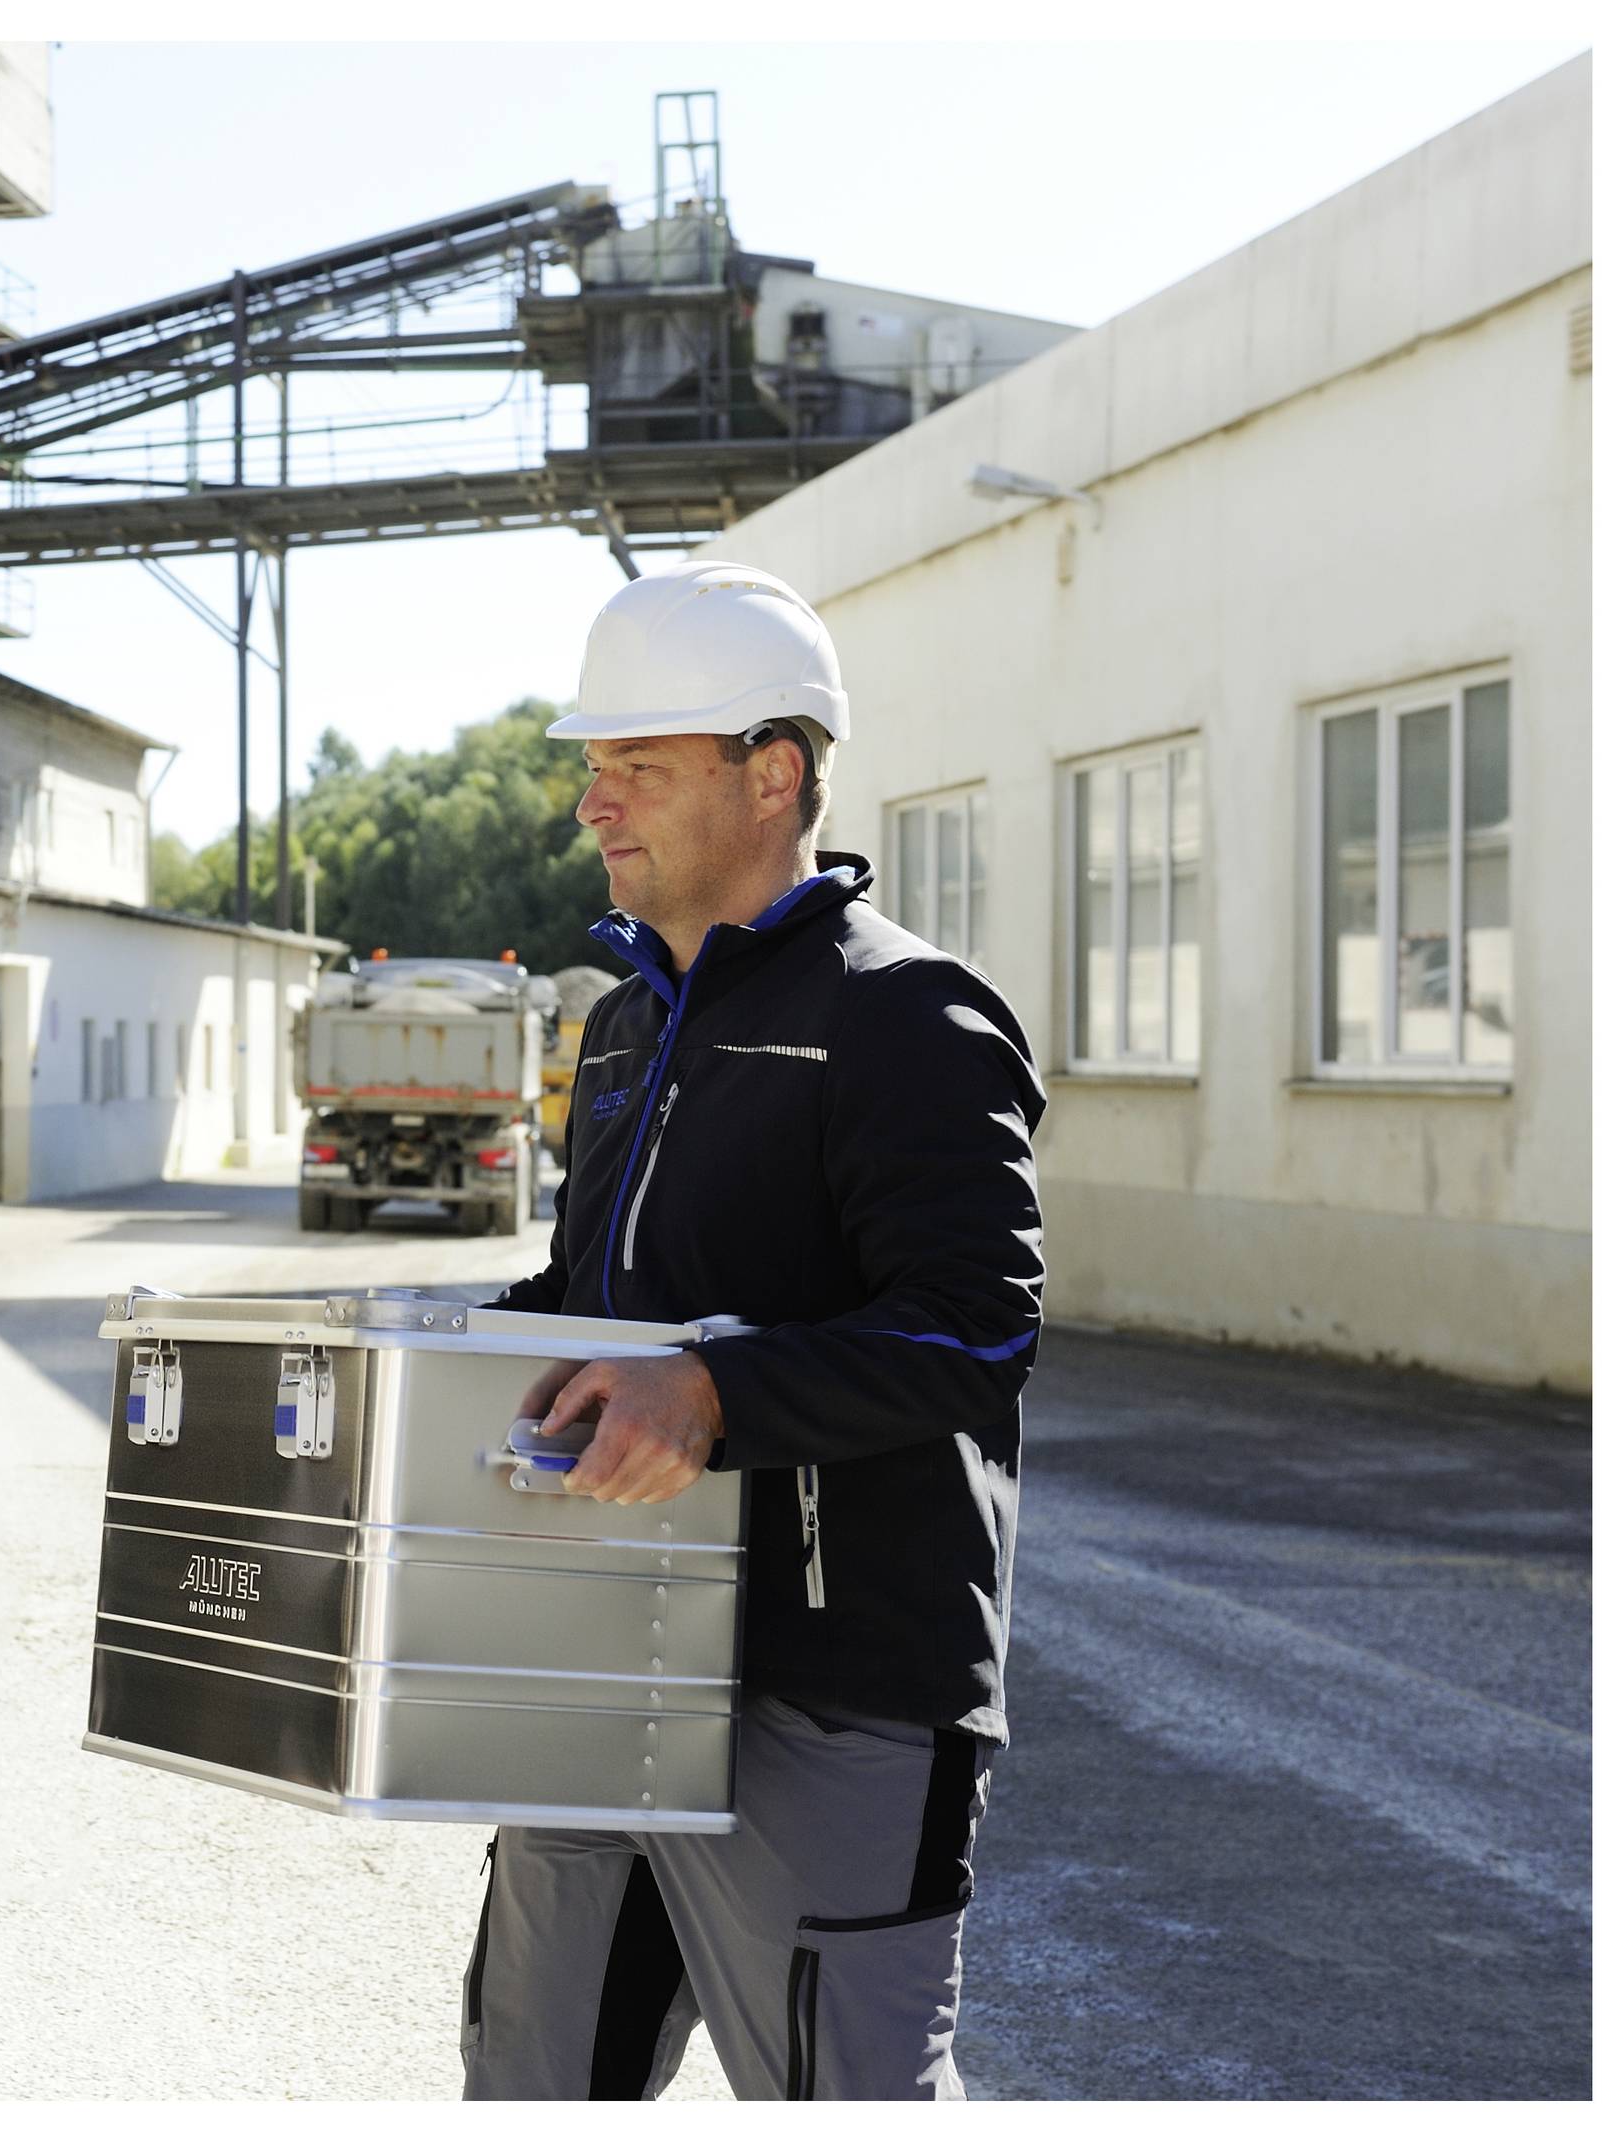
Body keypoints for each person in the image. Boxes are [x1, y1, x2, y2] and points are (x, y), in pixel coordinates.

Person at [459, 559, 1045, 2102]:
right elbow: (592, 1305)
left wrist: (714, 1391)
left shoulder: (912, 1019)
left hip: (834, 1689)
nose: (595, 803)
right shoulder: (623, 1025)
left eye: (635, 766)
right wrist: (414, 1346)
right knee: (529, 2080)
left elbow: (975, 1334)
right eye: (593, 769)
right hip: (602, 1658)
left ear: (770, 772)